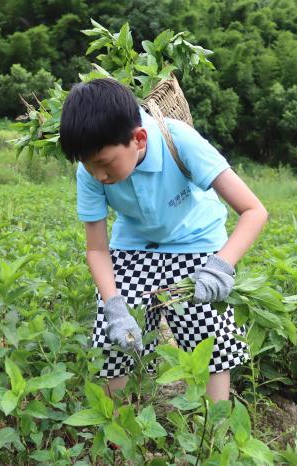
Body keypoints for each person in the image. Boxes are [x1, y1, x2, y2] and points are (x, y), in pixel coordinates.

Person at [59, 78, 268, 403]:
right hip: (134, 246)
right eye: (89, 165)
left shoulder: (179, 140)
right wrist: (114, 306)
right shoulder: (90, 171)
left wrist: (221, 266)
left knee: (210, 341)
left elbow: (254, 211)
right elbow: (97, 249)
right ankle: (118, 429)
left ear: (138, 139)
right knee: (115, 339)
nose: (99, 175)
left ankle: (216, 431)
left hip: (196, 243)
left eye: (104, 164)